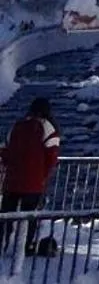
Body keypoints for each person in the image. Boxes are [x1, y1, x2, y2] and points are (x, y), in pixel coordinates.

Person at [1, 97, 61, 257]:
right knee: (31, 217)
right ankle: (26, 247)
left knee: (6, 216)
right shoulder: (48, 128)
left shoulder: (16, 126)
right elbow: (52, 157)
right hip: (33, 183)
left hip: (12, 181)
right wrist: (43, 176)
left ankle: (2, 243)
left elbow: (5, 151)